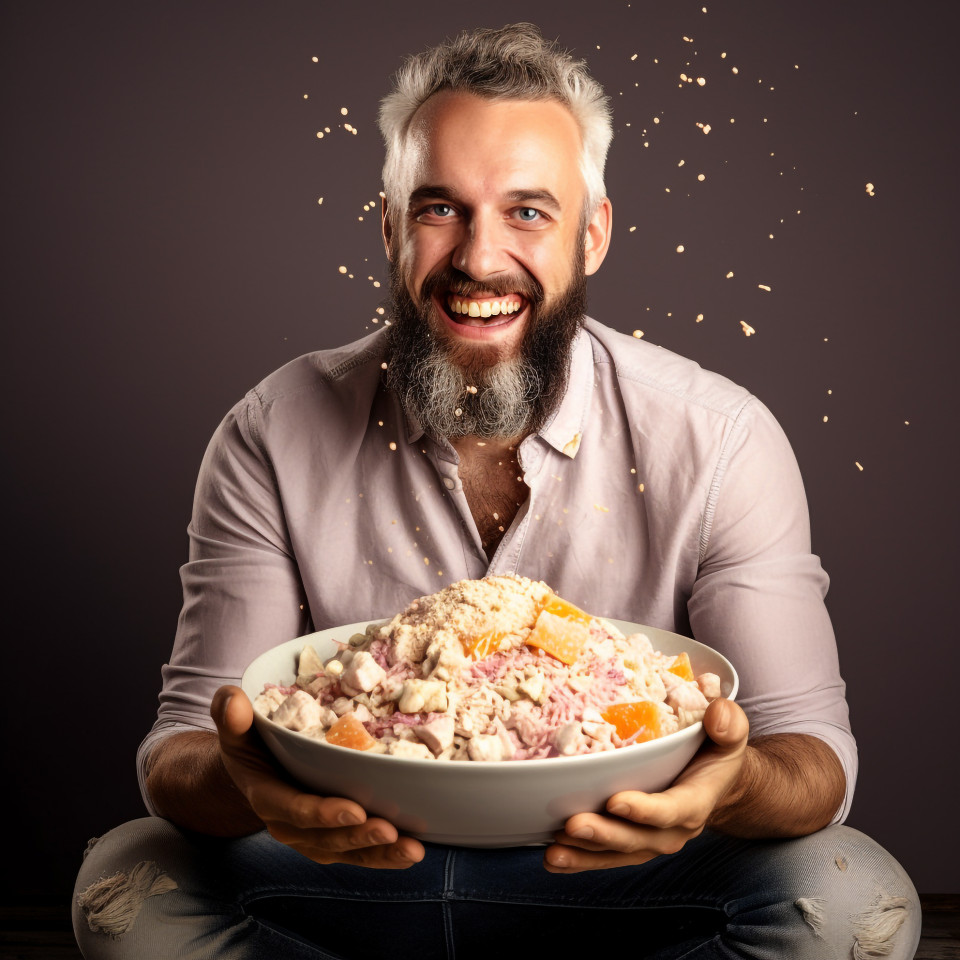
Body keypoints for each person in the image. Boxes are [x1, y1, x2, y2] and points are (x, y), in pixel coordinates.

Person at [73, 23, 920, 960]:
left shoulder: (718, 438)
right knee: (129, 885)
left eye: (528, 212)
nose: (479, 259)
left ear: (591, 234)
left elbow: (814, 762)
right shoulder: (273, 430)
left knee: (850, 905)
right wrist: (250, 783)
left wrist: (726, 784)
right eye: (440, 208)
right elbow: (183, 751)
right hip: (348, 871)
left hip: (624, 879)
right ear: (391, 227)